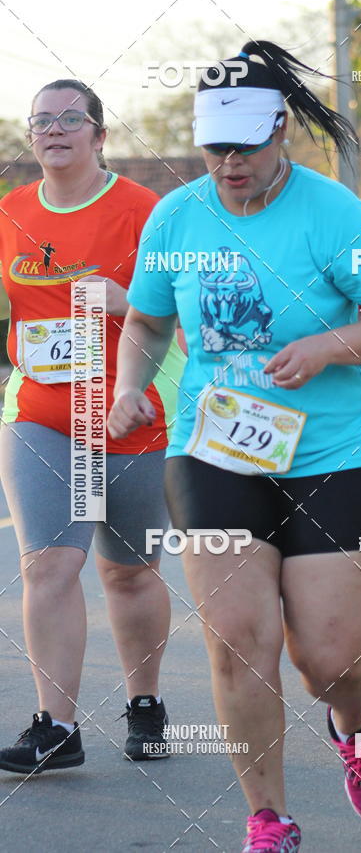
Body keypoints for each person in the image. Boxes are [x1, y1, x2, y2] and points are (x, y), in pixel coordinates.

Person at [107, 40, 361, 853]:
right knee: (239, 645)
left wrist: (326, 348)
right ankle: (270, 819)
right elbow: (147, 319)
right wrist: (127, 384)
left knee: (325, 659)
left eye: (246, 145)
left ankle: (354, 724)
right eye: (215, 146)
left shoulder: (334, 215)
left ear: (280, 128)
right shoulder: (176, 217)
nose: (228, 163)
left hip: (335, 456)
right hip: (214, 455)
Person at [0, 80, 185, 774]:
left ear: (99, 135)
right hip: (41, 417)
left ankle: (145, 702)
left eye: (70, 118)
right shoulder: (10, 213)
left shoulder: (145, 213)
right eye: (41, 120)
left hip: (132, 416)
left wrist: (125, 298)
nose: (54, 129)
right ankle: (56, 727)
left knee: (128, 575)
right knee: (48, 563)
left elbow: (191, 316)